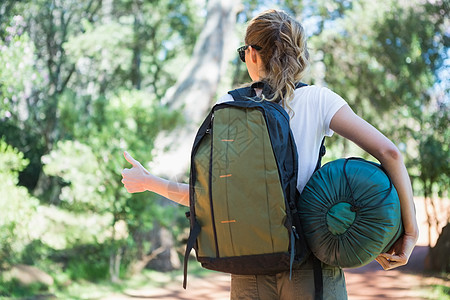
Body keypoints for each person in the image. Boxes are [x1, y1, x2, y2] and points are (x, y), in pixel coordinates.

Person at [121, 9, 419, 300]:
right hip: (308, 268)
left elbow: (211, 199)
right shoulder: (319, 100)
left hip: (250, 268)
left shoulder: (230, 107)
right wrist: (409, 233)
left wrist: (148, 181)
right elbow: (390, 152)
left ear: (251, 54)